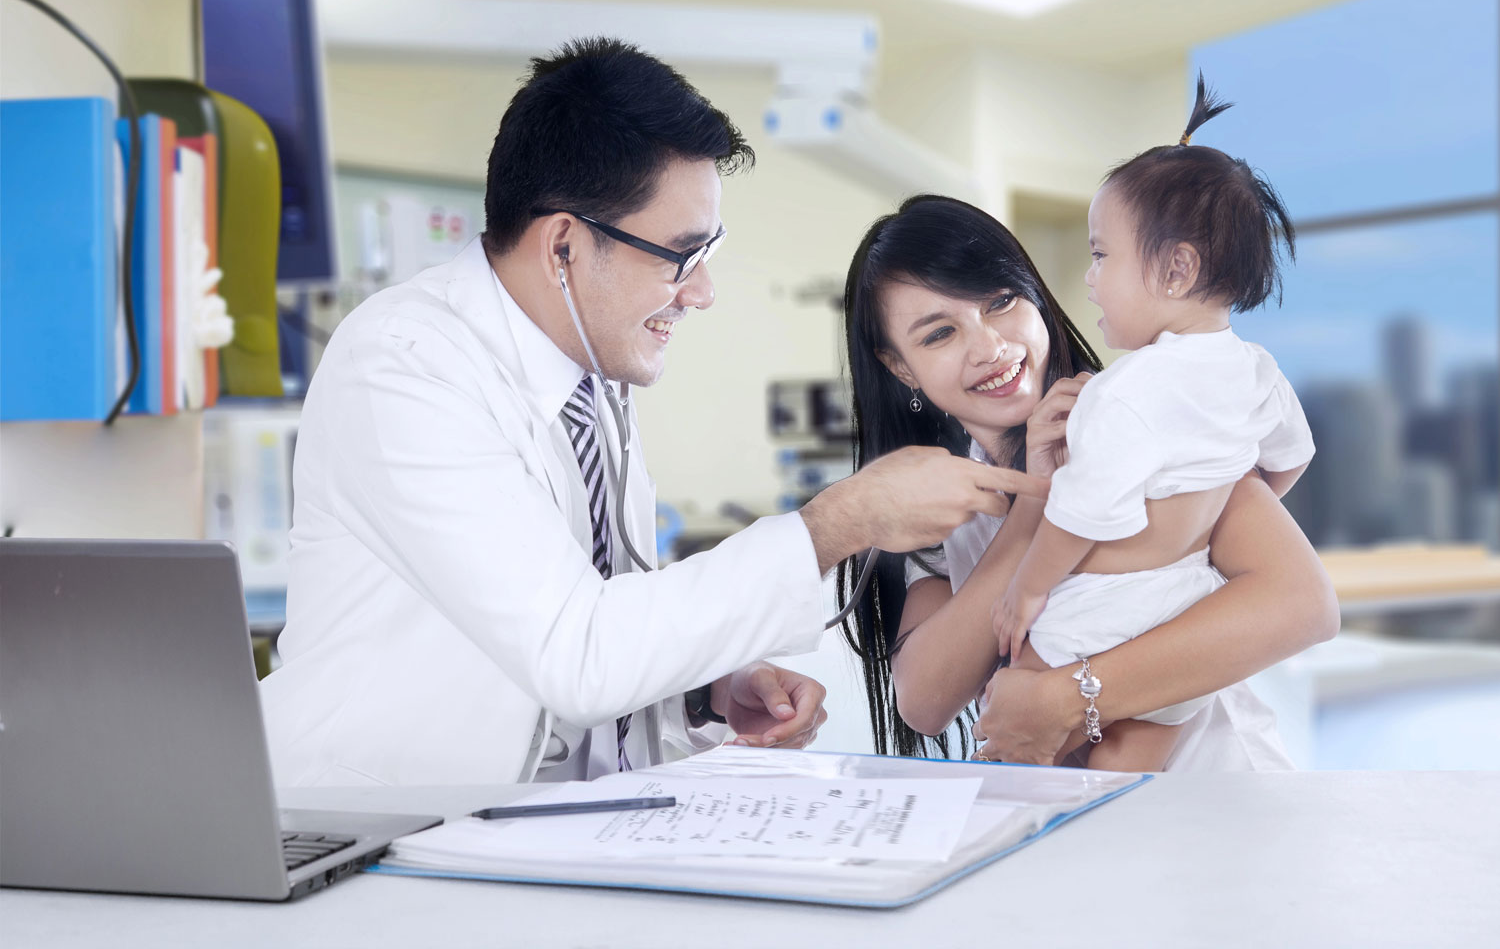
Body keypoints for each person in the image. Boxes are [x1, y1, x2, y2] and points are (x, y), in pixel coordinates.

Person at [260, 39, 1042, 787]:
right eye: (679, 254)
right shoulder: (405, 363)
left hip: (556, 829)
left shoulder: (591, 379)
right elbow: (577, 651)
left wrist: (703, 690)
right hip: (388, 836)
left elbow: (610, 613)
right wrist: (840, 521)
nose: (700, 291)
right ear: (563, 245)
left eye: (708, 253)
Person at [840, 193, 1339, 769]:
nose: (990, 347)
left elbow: (1304, 605)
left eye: (1002, 302)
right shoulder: (935, 502)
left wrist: (1065, 699)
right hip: (1089, 828)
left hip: (1216, 801)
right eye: (938, 334)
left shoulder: (1147, 417)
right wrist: (1037, 501)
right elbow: (924, 701)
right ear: (900, 366)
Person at [989, 77, 1315, 772]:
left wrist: (1030, 587)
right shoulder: (1257, 372)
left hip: (1098, 615)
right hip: (1185, 614)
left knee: (1018, 743)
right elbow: (1290, 459)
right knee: (1127, 792)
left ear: (1175, 269)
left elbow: (1084, 511)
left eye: (1101, 254)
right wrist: (1217, 491)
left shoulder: (1127, 387)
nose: (1088, 278)